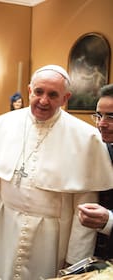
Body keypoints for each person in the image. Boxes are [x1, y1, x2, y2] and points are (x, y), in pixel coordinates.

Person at [0, 65, 113, 279]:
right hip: (5, 225)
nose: (43, 100)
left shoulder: (85, 138)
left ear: (65, 98)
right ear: (30, 90)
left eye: (53, 94)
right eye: (38, 92)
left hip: (53, 236)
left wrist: (76, 257)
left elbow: (85, 205)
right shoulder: (4, 124)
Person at [78, 83, 113, 260]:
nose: (101, 124)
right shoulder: (98, 148)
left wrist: (110, 221)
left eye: (111, 117)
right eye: (99, 116)